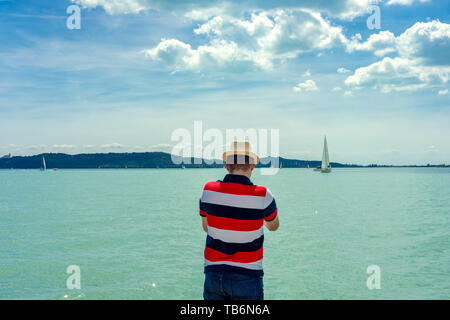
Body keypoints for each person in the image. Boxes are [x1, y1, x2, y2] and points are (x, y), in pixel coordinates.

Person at [199, 141, 279, 300]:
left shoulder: (208, 190)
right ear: (252, 166)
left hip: (213, 273)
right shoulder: (264, 195)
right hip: (247, 275)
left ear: (227, 166)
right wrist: (255, 217)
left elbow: (206, 227)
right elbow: (273, 226)